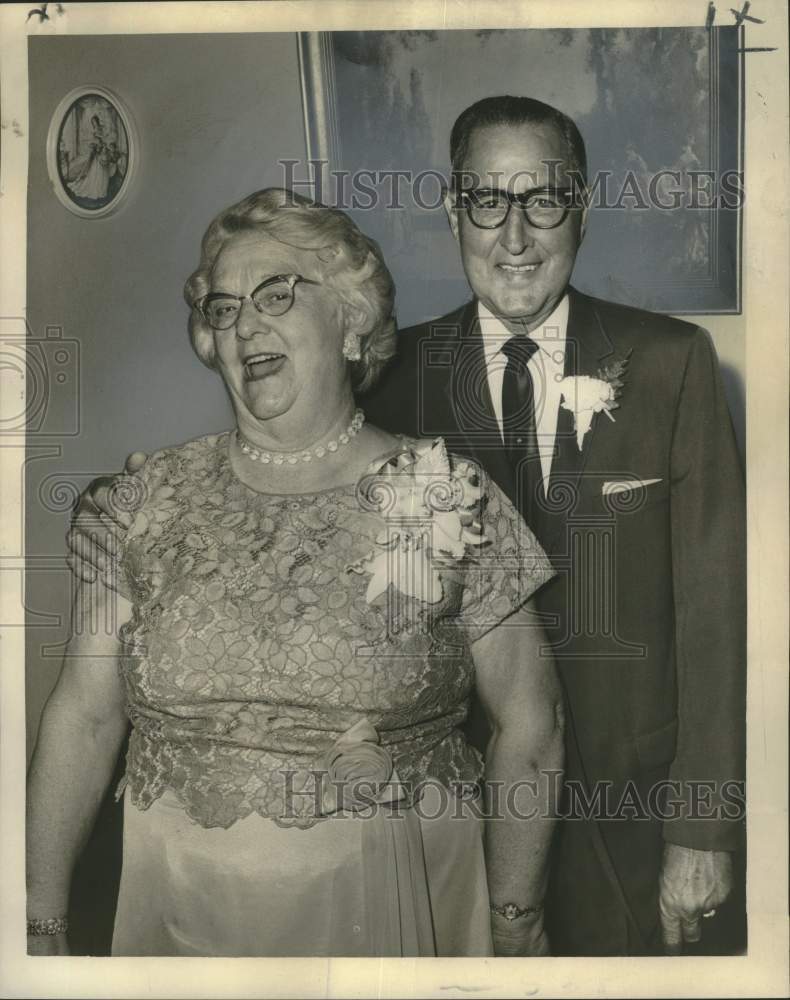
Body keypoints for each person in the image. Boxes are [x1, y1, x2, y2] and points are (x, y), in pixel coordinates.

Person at [68, 95, 747, 956]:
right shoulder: (393, 376)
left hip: (635, 812)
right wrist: (102, 507)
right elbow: (280, 465)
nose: (515, 236)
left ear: (582, 207)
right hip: (461, 825)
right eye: (485, 202)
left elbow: (724, 617)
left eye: (542, 200)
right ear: (453, 210)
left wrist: (704, 829)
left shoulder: (672, 363)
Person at [28, 188, 563, 958]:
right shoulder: (142, 501)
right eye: (223, 308)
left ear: (351, 319)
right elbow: (82, 717)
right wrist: (38, 918)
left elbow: (532, 722)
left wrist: (516, 918)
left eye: (277, 293)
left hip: (389, 912)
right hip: (177, 915)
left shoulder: (442, 491)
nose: (245, 323)